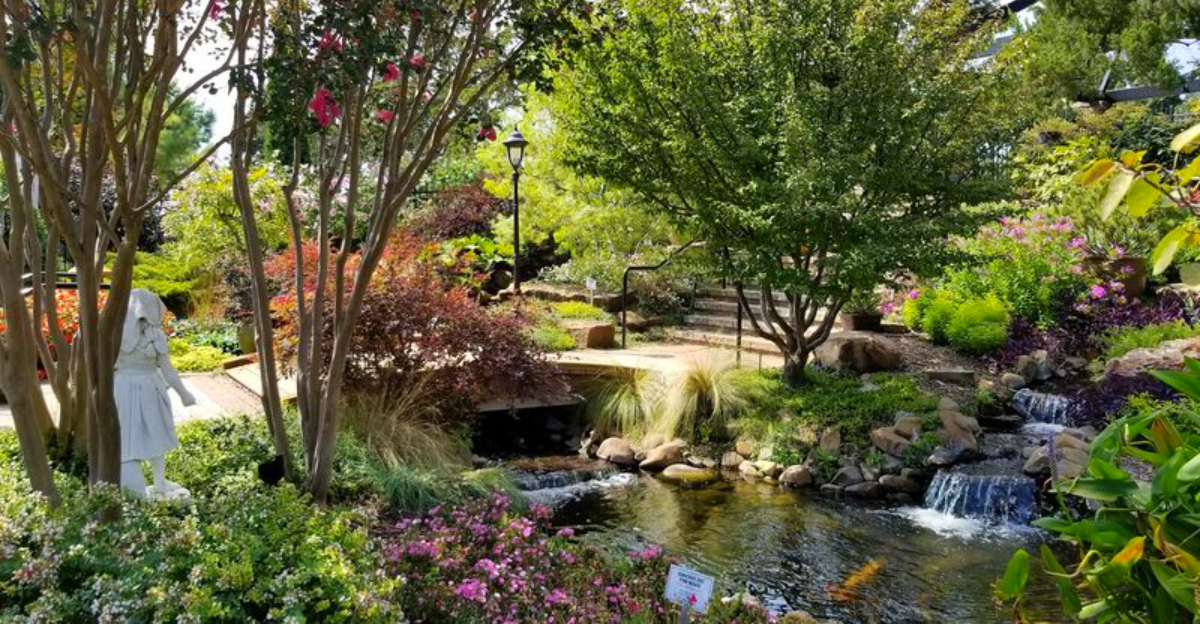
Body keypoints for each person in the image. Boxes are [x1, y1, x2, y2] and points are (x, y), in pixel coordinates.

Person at [116, 288, 196, 500]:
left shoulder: (145, 335)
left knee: (154, 432)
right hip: (133, 388)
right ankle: (135, 486)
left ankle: (159, 482)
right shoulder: (119, 334)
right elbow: (167, 370)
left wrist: (183, 393)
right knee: (134, 434)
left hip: (137, 387)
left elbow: (167, 369)